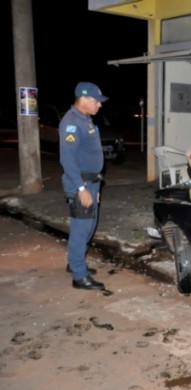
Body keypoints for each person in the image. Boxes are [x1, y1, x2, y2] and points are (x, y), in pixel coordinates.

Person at [59, 81, 108, 291]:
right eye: (97, 101)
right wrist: (81, 188)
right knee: (82, 228)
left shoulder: (85, 120)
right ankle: (79, 276)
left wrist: (94, 186)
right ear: (85, 99)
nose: (100, 105)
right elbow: (67, 159)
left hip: (91, 183)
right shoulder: (71, 122)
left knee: (90, 225)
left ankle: (75, 262)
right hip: (81, 183)